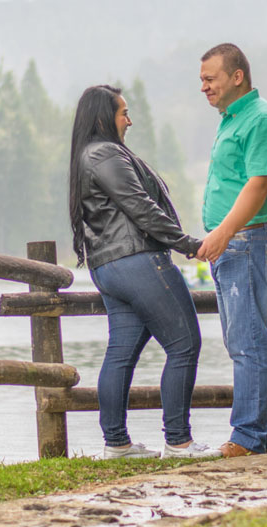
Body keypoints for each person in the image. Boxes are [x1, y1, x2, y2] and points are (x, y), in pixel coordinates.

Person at [69, 85, 218, 459]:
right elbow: (142, 208)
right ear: (105, 117)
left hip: (109, 267)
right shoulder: (105, 153)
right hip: (137, 261)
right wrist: (189, 244)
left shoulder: (88, 155)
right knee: (184, 345)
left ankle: (117, 444)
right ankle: (179, 441)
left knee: (121, 353)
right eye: (124, 113)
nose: (129, 120)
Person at [196, 44, 267, 457]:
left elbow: (259, 185)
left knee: (247, 343)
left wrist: (221, 234)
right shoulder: (232, 119)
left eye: (210, 79)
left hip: (252, 241)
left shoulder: (263, 119)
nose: (204, 87)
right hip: (238, 243)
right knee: (253, 341)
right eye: (201, 80)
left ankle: (247, 439)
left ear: (237, 77)